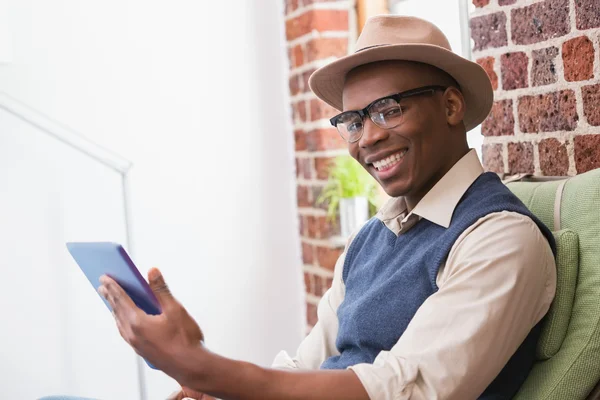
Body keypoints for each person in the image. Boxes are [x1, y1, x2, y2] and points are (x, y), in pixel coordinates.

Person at [98, 15, 557, 400]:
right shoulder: (371, 240)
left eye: (389, 109)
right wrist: (220, 390)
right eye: (353, 122)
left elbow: (402, 391)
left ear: (452, 106)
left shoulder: (500, 237)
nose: (369, 138)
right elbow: (308, 365)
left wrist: (203, 368)